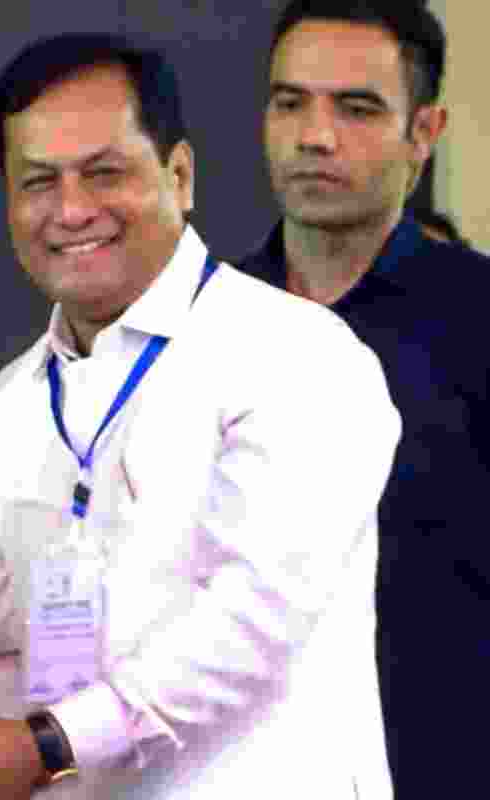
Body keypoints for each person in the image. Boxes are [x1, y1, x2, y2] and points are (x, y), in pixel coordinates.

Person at [0, 33, 398, 799]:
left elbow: (250, 624)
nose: (71, 210)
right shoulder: (7, 406)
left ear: (180, 175)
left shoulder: (299, 355)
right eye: (38, 182)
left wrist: (48, 745)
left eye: (104, 173)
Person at [236, 1, 490, 794]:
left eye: (356, 108)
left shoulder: (479, 320)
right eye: (290, 103)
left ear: (425, 132)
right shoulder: (201, 325)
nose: (315, 136)